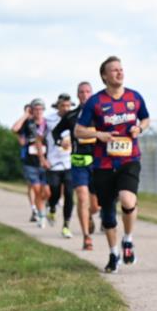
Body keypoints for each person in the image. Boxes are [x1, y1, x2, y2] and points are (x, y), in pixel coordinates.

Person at [75, 56, 150, 273]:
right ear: (104, 76)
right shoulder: (95, 102)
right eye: (114, 70)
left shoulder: (134, 97)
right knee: (107, 214)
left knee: (127, 199)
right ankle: (113, 253)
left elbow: (145, 119)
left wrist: (140, 128)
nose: (119, 72)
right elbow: (79, 130)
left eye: (121, 69)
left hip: (129, 158)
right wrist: (99, 134)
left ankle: (128, 239)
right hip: (103, 163)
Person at [54, 81, 101, 250]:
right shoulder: (71, 115)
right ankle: (86, 238)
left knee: (95, 206)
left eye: (88, 91)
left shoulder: (100, 114)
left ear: (92, 94)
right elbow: (55, 132)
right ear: (77, 95)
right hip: (79, 162)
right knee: (82, 197)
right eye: (81, 92)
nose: (84, 94)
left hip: (97, 163)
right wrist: (61, 141)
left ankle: (89, 215)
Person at [12, 100, 50, 226]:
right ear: (32, 111)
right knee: (36, 189)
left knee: (47, 191)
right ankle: (41, 215)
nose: (38, 112)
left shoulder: (48, 123)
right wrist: (25, 115)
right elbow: (14, 128)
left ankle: (45, 207)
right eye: (35, 109)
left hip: (46, 161)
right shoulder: (28, 123)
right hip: (30, 162)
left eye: (40, 109)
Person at [45, 94, 75, 239]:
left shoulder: (74, 118)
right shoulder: (48, 120)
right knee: (55, 192)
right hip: (53, 162)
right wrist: (42, 158)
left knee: (69, 194)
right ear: (57, 106)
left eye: (68, 106)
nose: (66, 108)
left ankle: (66, 226)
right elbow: (39, 139)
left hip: (69, 162)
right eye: (63, 105)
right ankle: (51, 207)